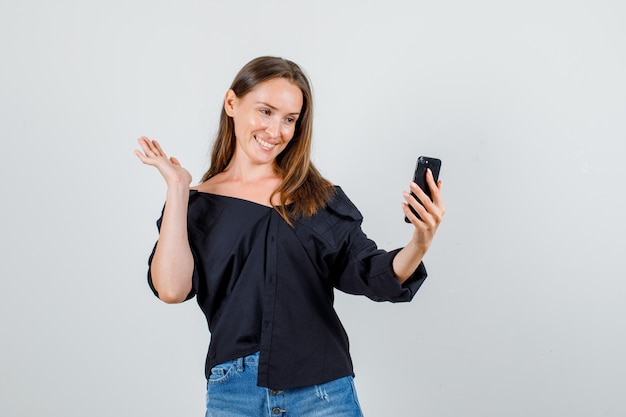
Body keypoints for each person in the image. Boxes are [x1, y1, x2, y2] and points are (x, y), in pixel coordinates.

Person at [134, 56, 445, 417]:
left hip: (322, 391)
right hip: (234, 394)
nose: (275, 130)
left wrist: (420, 241)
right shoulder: (195, 206)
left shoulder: (318, 198)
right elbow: (172, 290)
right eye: (265, 111)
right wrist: (178, 187)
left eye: (289, 119)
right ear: (232, 103)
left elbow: (370, 273)